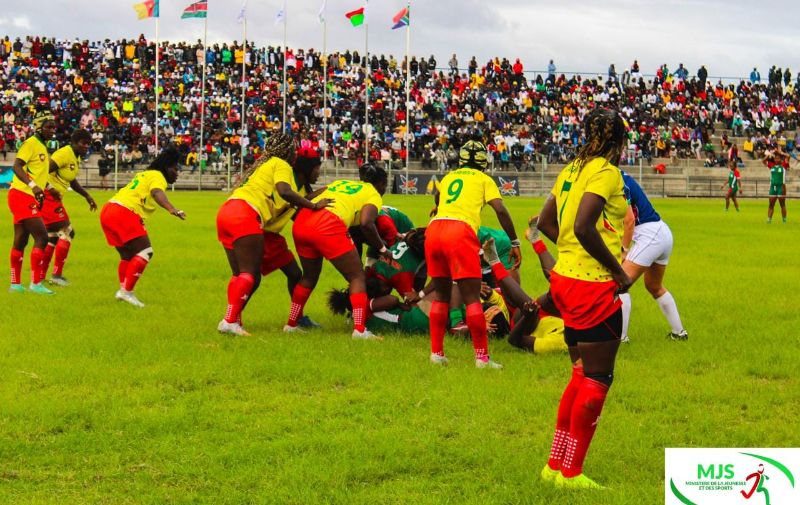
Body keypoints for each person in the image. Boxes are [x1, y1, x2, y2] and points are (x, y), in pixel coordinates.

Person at [537, 108, 632, 489]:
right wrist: (618, 270)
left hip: (564, 278)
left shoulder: (570, 169)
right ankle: (571, 473)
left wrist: (570, 251)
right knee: (597, 379)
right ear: (619, 141)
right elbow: (583, 225)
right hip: (591, 285)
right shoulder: (606, 172)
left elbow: (546, 223)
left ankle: (555, 465)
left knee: (579, 373)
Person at [215, 137, 329, 336]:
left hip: (235, 213)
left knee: (290, 274)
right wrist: (312, 204)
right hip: (251, 218)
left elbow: (288, 210)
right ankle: (230, 320)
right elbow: (284, 193)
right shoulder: (282, 166)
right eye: (317, 168)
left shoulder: (269, 167)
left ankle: (292, 319)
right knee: (249, 275)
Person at [425, 140, 521, 369]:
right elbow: (500, 209)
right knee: (470, 298)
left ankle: (436, 354)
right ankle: (482, 358)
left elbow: (438, 198)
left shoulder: (449, 176)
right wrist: (515, 240)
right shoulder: (483, 179)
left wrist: (439, 209)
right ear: (483, 162)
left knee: (441, 295)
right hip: (460, 232)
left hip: (434, 229)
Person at [285, 163, 391, 339]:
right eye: (384, 185)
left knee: (309, 276)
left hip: (303, 221)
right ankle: (359, 329)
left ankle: (291, 324)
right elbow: (366, 223)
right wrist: (382, 248)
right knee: (357, 277)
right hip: (328, 223)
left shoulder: (340, 182)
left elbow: (309, 196)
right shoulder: (373, 194)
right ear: (381, 183)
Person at [99, 147, 186, 307]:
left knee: (127, 255)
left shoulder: (144, 174)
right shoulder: (158, 175)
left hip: (109, 209)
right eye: (175, 168)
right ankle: (126, 292)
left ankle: (123, 291)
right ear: (167, 168)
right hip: (124, 211)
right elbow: (156, 192)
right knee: (146, 252)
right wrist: (171, 208)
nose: (177, 173)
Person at [619, 171, 688, 343]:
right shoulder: (621, 176)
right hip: (662, 231)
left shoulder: (615, 180)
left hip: (649, 235)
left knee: (619, 285)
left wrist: (624, 250)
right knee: (654, 286)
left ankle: (620, 338)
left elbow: (629, 220)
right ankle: (679, 333)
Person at [7, 110, 57, 294]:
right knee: (42, 237)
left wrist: (48, 187)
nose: (52, 130)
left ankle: (15, 284)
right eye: (48, 127)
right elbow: (16, 166)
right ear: (39, 127)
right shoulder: (31, 143)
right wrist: (34, 186)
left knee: (20, 240)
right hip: (22, 194)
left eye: (53, 127)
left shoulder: (42, 146)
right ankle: (36, 283)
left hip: (25, 195)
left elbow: (38, 172)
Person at [40, 129, 97, 286]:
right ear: (74, 142)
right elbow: (41, 172)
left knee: (52, 236)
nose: (86, 146)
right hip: (47, 197)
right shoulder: (64, 153)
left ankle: (40, 276)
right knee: (68, 232)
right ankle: (57, 276)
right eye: (83, 143)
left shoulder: (75, 157)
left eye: (88, 144)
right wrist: (50, 188)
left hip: (54, 199)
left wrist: (87, 196)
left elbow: (71, 181)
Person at [765, 154, 788, 223]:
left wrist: (781, 152)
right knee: (771, 204)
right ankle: (769, 219)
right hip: (773, 187)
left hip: (781, 187)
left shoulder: (783, 166)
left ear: (781, 160)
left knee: (782, 204)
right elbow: (763, 161)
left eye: (778, 158)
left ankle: (784, 220)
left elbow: (788, 156)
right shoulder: (771, 166)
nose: (776, 159)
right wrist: (769, 155)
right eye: (775, 158)